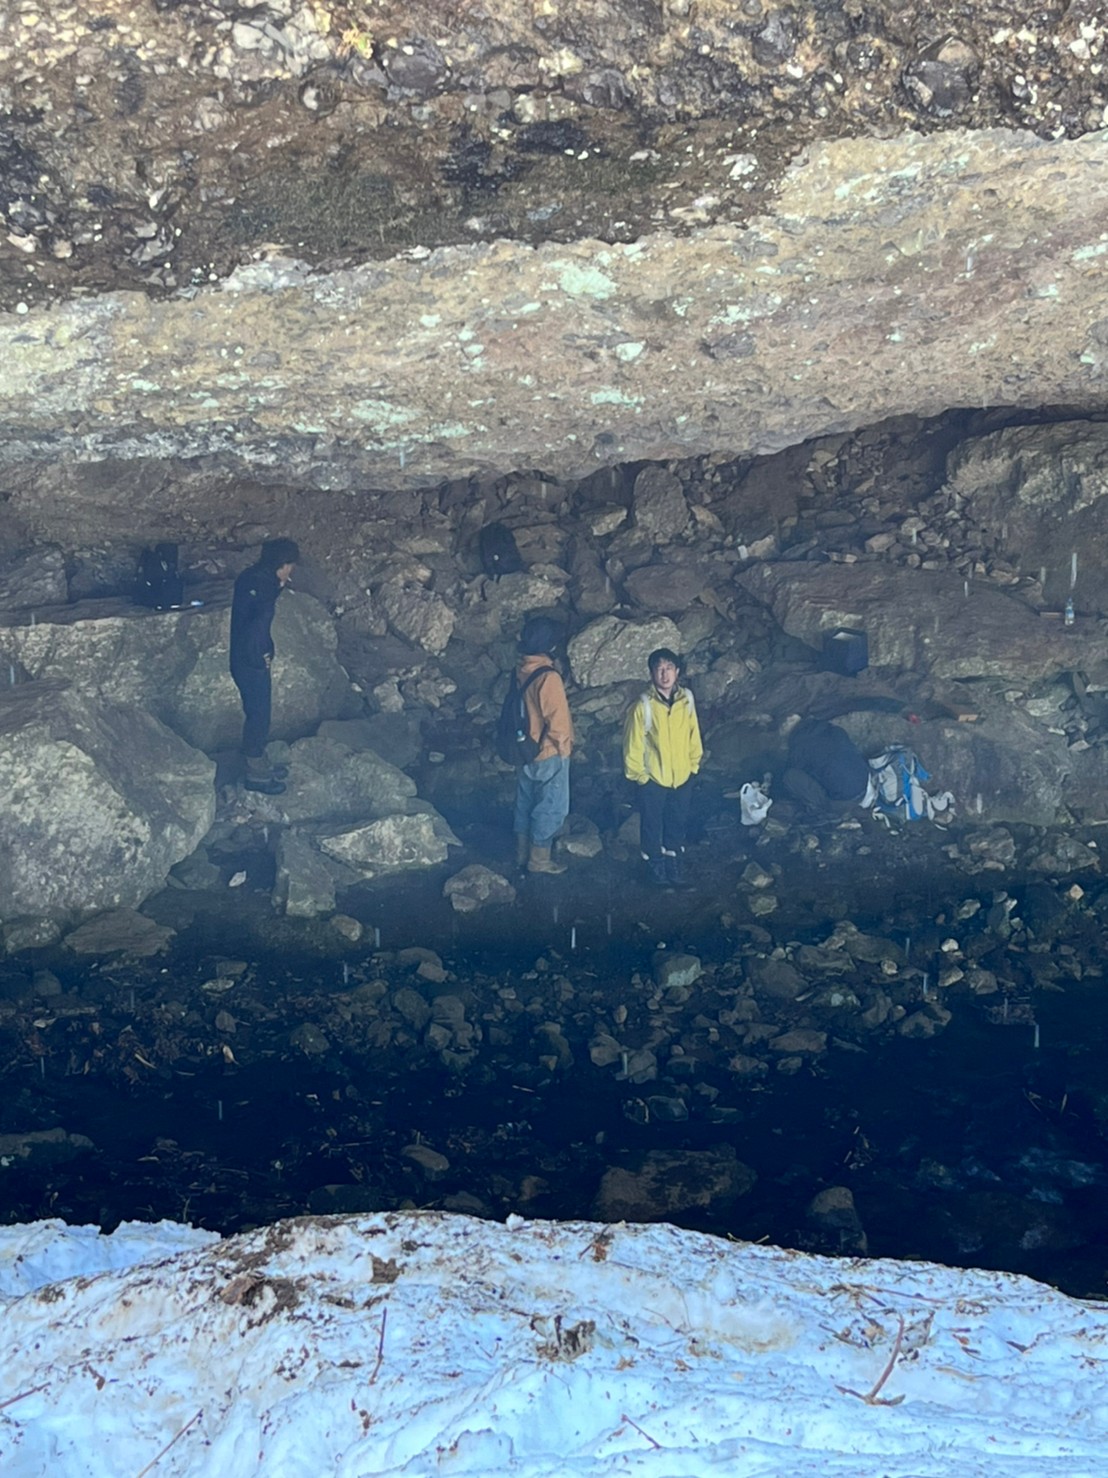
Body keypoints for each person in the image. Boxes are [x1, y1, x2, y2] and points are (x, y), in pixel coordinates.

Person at [622, 648, 703, 887]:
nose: (665, 675)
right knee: (651, 826)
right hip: (654, 779)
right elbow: (632, 745)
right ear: (651, 673)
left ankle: (674, 868)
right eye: (659, 669)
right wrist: (640, 777)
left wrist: (693, 766)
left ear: (677, 671)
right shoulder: (643, 706)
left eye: (669, 668)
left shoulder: (686, 699)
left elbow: (694, 734)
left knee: (676, 823)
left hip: (682, 776)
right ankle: (655, 871)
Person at [229, 537, 299, 795]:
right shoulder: (265, 588)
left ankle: (256, 760)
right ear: (285, 564)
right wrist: (262, 656)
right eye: (290, 566)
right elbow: (257, 626)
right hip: (251, 660)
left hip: (240, 655)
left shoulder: (253, 577)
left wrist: (278, 585)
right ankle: (255, 774)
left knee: (255, 713)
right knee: (259, 715)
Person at [513, 615, 574, 875]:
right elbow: (558, 721)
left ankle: (521, 853)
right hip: (548, 750)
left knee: (525, 802)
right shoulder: (548, 677)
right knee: (551, 806)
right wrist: (564, 749)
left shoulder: (522, 670)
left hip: (525, 749)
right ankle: (539, 860)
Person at [780, 717, 870, 815]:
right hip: (866, 784)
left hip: (844, 801)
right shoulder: (836, 730)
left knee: (789, 777)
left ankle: (823, 811)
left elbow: (795, 772)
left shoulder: (798, 751)